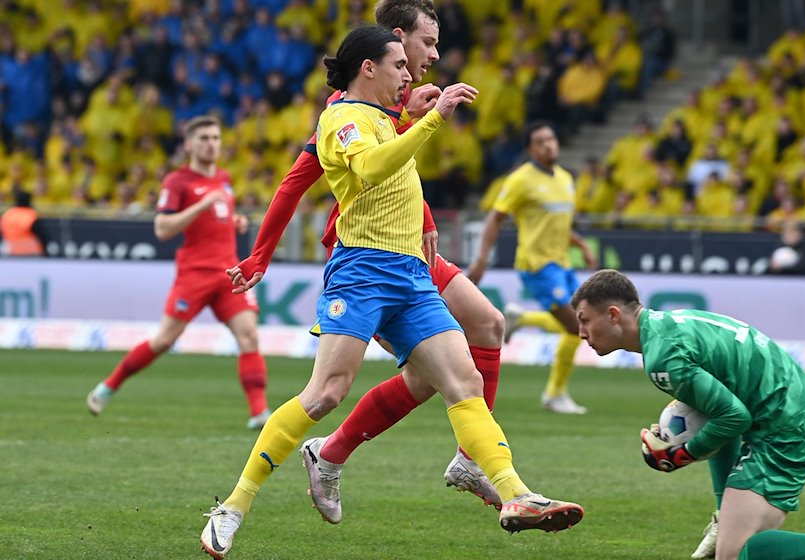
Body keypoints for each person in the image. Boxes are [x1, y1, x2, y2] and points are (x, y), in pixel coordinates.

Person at [200, 26, 583, 559]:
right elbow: (373, 170)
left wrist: (409, 117)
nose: (410, 73)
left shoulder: (382, 120)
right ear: (368, 68)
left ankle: (516, 495)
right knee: (326, 393)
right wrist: (431, 118)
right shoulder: (342, 119)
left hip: (411, 276)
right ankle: (233, 506)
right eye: (400, 63)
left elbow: (392, 153)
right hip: (361, 271)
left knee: (464, 379)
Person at [224, 0, 506, 523]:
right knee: (374, 382)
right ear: (394, 42)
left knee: (482, 331)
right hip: (366, 253)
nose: (432, 56)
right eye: (426, 44)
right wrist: (260, 255)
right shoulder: (343, 109)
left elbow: (397, 157)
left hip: (410, 248)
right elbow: (305, 180)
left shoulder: (396, 103)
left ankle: (449, 459)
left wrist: (411, 129)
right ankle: (328, 456)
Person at [570, 269, 805, 560]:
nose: (581, 332)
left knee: (739, 554)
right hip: (799, 409)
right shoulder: (670, 325)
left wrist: (682, 454)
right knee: (741, 544)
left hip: (787, 426)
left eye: (585, 320)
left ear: (613, 314)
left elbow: (733, 419)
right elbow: (718, 420)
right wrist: (723, 509)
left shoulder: (664, 359)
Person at [85, 115, 270, 430]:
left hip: (228, 273)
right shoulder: (177, 182)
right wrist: (201, 206)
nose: (211, 144)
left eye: (215, 138)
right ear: (189, 144)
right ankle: (108, 386)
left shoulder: (224, 179)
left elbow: (218, 216)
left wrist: (234, 221)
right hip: (194, 275)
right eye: (204, 139)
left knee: (249, 336)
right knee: (164, 340)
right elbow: (162, 228)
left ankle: (259, 413)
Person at [468, 121, 597, 414]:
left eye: (551, 138)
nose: (549, 144)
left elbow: (559, 223)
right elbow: (494, 219)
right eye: (540, 141)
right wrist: (481, 259)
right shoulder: (520, 180)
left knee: (578, 327)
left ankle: (523, 322)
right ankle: (554, 393)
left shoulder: (565, 178)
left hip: (562, 262)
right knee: (578, 325)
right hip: (537, 264)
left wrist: (581, 245)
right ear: (530, 149)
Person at [0, 190, 47, 256]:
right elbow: (42, 236)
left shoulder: (7, 215)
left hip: (10, 251)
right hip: (31, 252)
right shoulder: (31, 215)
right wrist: (46, 251)